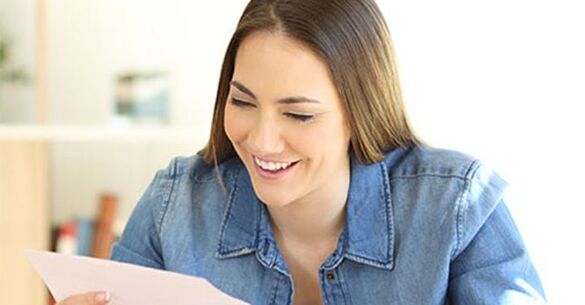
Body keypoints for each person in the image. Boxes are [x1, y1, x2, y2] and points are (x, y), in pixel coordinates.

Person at [57, 0, 546, 304]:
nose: (262, 141)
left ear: (361, 112)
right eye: (243, 101)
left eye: (299, 114)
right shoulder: (175, 203)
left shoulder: (456, 207)